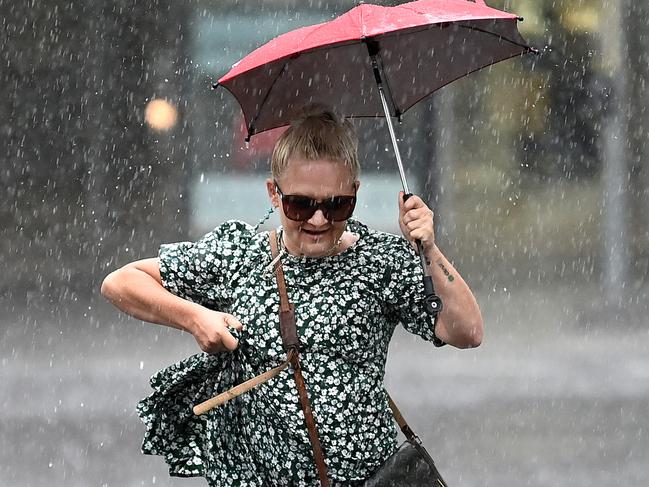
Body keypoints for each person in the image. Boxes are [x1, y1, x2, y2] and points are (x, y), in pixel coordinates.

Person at [101, 105, 483, 486]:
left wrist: (429, 249)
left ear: (355, 193)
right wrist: (195, 318)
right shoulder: (239, 256)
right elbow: (122, 282)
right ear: (273, 193)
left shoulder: (380, 261)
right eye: (300, 204)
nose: (318, 220)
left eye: (336, 205)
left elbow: (467, 331)